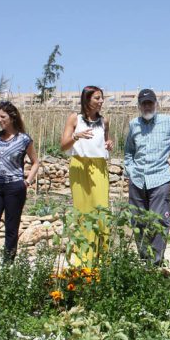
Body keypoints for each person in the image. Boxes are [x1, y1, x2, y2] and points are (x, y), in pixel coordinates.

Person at [124, 89, 170, 264]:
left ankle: (155, 263)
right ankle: (143, 260)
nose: (147, 106)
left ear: (156, 104)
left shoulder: (168, 122)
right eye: (144, 103)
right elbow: (128, 151)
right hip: (138, 180)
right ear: (139, 106)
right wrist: (131, 170)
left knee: (158, 221)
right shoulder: (134, 124)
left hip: (159, 179)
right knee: (137, 220)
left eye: (150, 103)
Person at [0, 100, 38, 261]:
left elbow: (35, 162)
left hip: (15, 187)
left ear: (12, 117)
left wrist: (27, 182)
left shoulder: (24, 139)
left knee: (11, 228)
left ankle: (7, 267)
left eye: (2, 116)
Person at [61, 86, 113, 263]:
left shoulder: (104, 121)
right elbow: (63, 146)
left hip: (99, 166)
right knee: (83, 211)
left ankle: (102, 258)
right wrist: (76, 136)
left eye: (101, 98)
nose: (101, 101)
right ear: (87, 99)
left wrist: (109, 143)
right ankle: (82, 257)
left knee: (102, 211)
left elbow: (106, 141)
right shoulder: (75, 118)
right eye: (97, 98)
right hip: (79, 165)